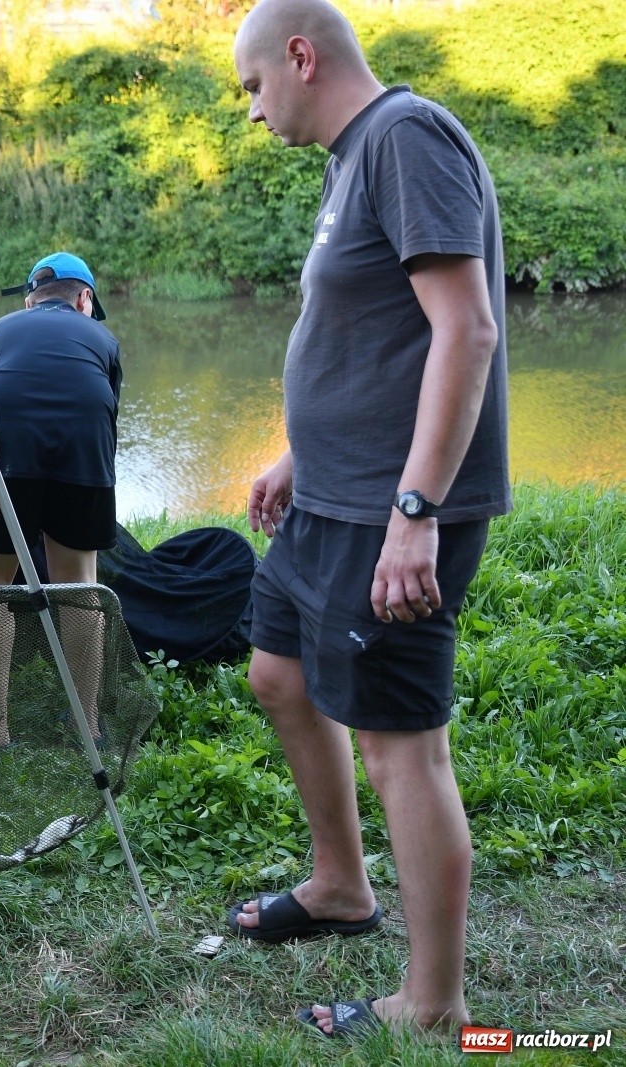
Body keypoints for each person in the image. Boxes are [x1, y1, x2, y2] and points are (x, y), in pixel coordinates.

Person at [228, 0, 508, 1037]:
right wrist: (302, 451)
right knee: (279, 674)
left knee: (400, 747)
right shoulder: (353, 160)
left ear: (301, 57)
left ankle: (433, 1003)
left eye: (254, 85)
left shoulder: (404, 136)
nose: (252, 111)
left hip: (388, 511)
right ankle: (340, 885)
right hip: (329, 495)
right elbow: (379, 335)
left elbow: (464, 329)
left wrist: (414, 511)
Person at [0, 253, 120, 749]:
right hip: (83, 459)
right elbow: (107, 419)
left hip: (4, 457)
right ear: (84, 299)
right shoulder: (104, 340)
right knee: (78, 586)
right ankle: (87, 725)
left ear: (31, 300)